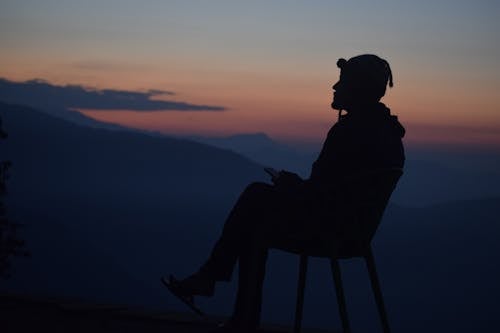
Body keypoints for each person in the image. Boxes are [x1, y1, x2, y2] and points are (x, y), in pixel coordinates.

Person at [163, 54, 406, 332]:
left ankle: (225, 295)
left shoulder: (349, 132)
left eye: (343, 82)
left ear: (358, 89)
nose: (335, 87)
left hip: (330, 232)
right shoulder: (389, 134)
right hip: (355, 233)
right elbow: (337, 191)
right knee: (256, 212)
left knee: (255, 205)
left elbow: (319, 194)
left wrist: (289, 184)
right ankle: (221, 291)